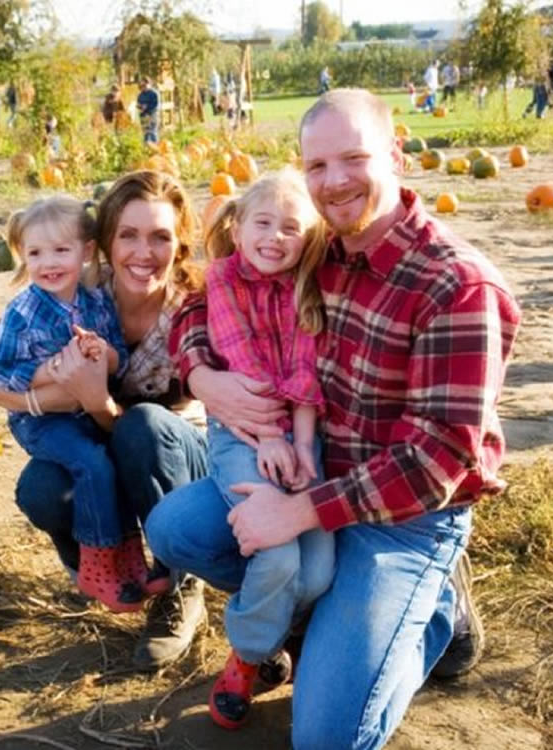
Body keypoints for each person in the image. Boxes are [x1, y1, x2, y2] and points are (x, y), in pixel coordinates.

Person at [146, 88, 521, 748]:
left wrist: (296, 512)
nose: (333, 181)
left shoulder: (455, 285)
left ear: (396, 153)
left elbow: (438, 457)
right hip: (306, 470)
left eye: (353, 158)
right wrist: (207, 376)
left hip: (402, 520)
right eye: (316, 166)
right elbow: (196, 308)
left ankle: (433, 606)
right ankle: (322, 607)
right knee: (175, 528)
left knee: (324, 738)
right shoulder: (310, 249)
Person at [0, 170, 211, 670]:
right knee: (41, 487)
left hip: (180, 463)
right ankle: (94, 563)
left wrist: (96, 402)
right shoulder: (79, 291)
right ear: (103, 244)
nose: (143, 252)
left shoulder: (192, 310)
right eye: (127, 235)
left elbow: (144, 430)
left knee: (143, 426)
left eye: (160, 237)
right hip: (102, 442)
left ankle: (180, 585)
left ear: (181, 244)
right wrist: (34, 401)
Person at [200, 170, 334, 730]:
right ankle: (247, 656)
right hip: (242, 431)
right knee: (277, 556)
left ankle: (277, 635)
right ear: (236, 225)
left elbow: (305, 370)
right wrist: (273, 437)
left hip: (299, 435)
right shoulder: (224, 279)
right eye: (263, 222)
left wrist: (303, 448)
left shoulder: (306, 285)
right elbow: (244, 364)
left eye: (290, 227)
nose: (274, 237)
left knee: (318, 573)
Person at [0, 195, 151, 612]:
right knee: (91, 464)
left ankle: (127, 553)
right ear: (22, 256)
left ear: (87, 251)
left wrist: (103, 353)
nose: (48, 263)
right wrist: (50, 370)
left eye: (61, 250)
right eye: (35, 253)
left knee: (110, 464)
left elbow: (120, 355)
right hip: (40, 422)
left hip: (86, 413)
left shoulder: (96, 302)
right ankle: (96, 561)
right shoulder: (22, 312)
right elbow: (2, 369)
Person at [137, 76, 160, 144]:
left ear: (149, 84)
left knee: (152, 132)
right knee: (145, 134)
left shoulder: (154, 93)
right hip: (143, 116)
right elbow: (138, 104)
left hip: (152, 114)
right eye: (141, 86)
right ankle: (146, 149)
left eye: (144, 85)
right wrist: (140, 106)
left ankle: (156, 148)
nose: (143, 87)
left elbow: (155, 105)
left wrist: (147, 107)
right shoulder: (140, 95)